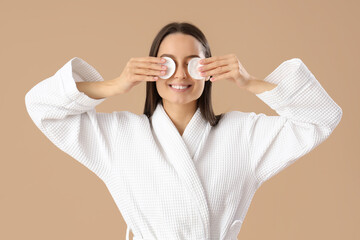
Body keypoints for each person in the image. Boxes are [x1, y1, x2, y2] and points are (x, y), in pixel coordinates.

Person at [25, 22, 343, 240]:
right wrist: (115, 85)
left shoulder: (243, 135)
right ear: (151, 70)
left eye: (192, 63)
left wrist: (251, 82)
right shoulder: (121, 136)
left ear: (209, 72)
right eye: (166, 63)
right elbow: (42, 107)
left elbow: (321, 117)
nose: (179, 74)